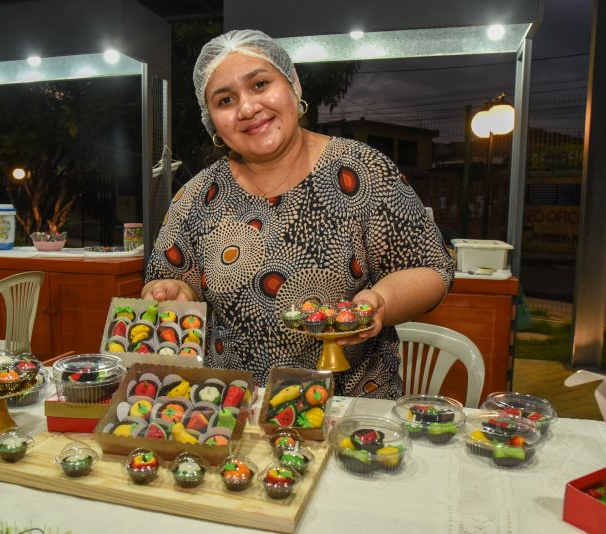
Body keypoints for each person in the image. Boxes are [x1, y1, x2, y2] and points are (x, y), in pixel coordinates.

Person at [142, 29, 454, 399]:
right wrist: (172, 294)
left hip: (350, 407)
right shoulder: (196, 197)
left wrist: (380, 301)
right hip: (235, 411)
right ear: (213, 122)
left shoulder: (364, 170)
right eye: (225, 100)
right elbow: (171, 283)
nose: (247, 108)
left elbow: (431, 268)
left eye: (260, 84)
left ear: (293, 85)